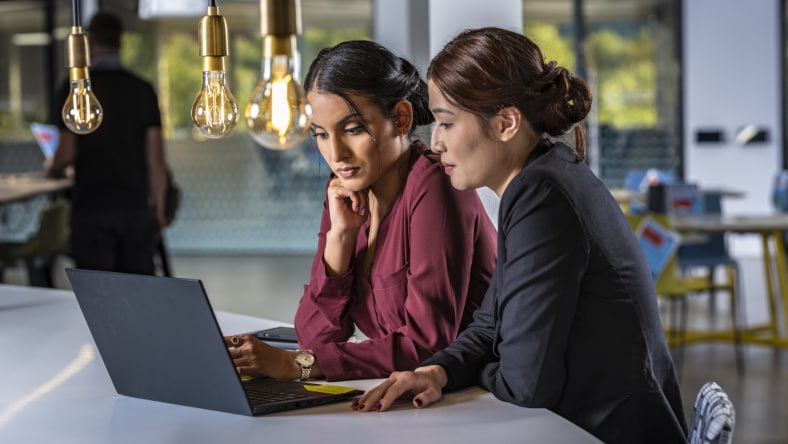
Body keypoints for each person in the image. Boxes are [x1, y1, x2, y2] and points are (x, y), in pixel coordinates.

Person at [353, 27, 688, 444]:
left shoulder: (543, 198)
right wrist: (438, 371)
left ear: (506, 123)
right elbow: (489, 323)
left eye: (447, 123)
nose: (435, 143)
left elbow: (526, 383)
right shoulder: (541, 180)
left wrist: (484, 365)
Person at [224, 40, 497, 382]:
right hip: (401, 392)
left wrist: (296, 364)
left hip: (475, 395)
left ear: (400, 118)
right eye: (321, 134)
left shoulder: (437, 186)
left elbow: (429, 345)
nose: (336, 154)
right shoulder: (346, 191)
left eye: (352, 129)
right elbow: (316, 339)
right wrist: (340, 238)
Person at [47, 11, 167, 275]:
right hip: (135, 208)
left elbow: (66, 153)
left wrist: (52, 168)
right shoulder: (142, 90)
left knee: (98, 296)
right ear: (120, 42)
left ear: (89, 41)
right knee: (138, 292)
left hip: (92, 207)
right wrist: (158, 208)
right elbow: (156, 159)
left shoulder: (74, 92)